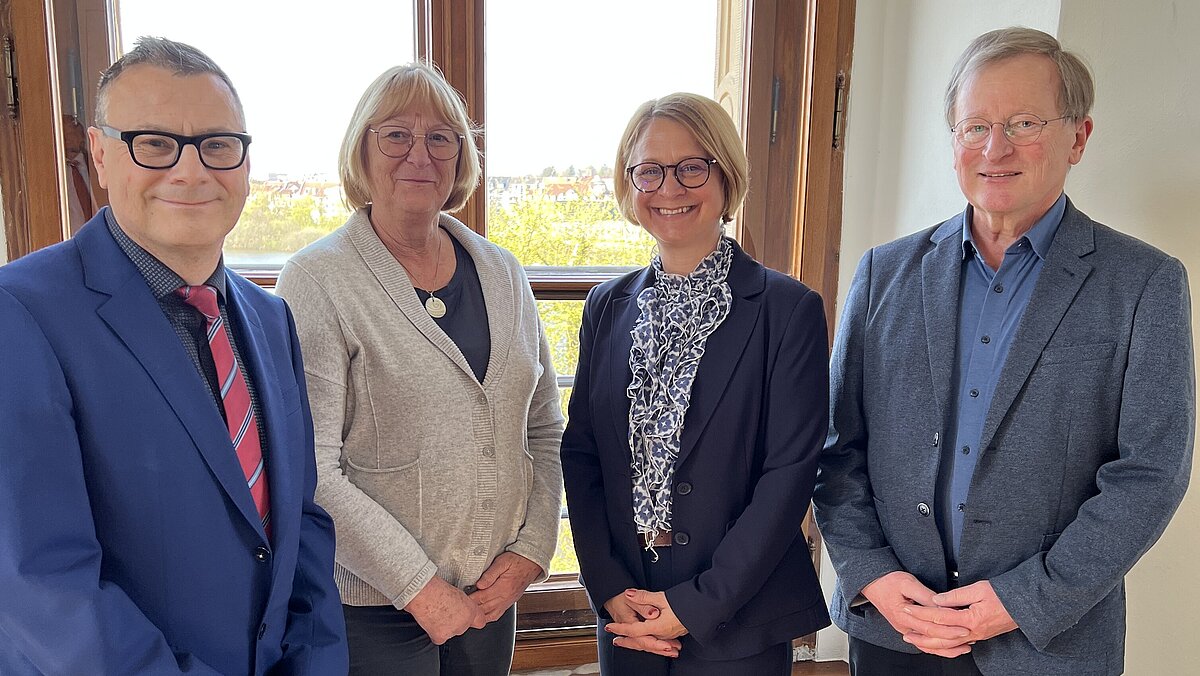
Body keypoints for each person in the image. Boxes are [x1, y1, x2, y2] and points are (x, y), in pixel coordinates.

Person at [813, 27, 1195, 676]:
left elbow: (1149, 474)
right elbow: (835, 448)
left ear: (1079, 136)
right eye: (974, 126)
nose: (995, 147)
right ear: (954, 141)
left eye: (1023, 122)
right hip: (895, 633)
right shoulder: (883, 274)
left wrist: (1021, 600)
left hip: (1048, 644)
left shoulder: (1145, 285)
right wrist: (870, 574)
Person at [0, 37, 347, 675]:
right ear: (100, 156)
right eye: (154, 144)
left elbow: (301, 527)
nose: (192, 172)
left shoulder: (271, 322)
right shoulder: (19, 315)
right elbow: (41, 584)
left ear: (245, 163)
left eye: (218, 145)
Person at [274, 62, 564, 676]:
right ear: (362, 150)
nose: (420, 154)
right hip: (375, 614)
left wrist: (532, 552)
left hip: (491, 602)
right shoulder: (318, 280)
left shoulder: (504, 273)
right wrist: (420, 589)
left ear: (460, 158)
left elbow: (543, 431)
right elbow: (313, 470)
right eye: (396, 135)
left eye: (441, 138)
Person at [560, 93, 832, 676]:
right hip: (627, 611)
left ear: (726, 177)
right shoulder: (607, 307)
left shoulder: (788, 310)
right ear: (629, 186)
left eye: (692, 167)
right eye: (650, 170)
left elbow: (789, 478)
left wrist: (693, 605)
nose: (670, 187)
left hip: (737, 619)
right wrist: (608, 585)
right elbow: (582, 454)